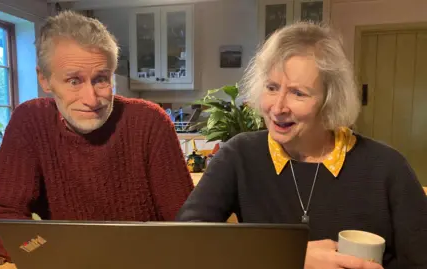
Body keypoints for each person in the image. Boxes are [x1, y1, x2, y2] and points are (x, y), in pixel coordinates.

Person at [176, 22, 427, 269]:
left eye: (298, 93)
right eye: (272, 88)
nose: (278, 107)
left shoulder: (387, 168)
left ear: (330, 100)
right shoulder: (239, 155)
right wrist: (292, 257)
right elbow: (184, 242)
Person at [0, 11, 194, 258]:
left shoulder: (150, 122)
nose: (91, 99)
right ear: (45, 79)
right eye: (74, 81)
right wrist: (46, 250)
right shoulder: (31, 121)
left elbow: (190, 227)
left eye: (101, 79)